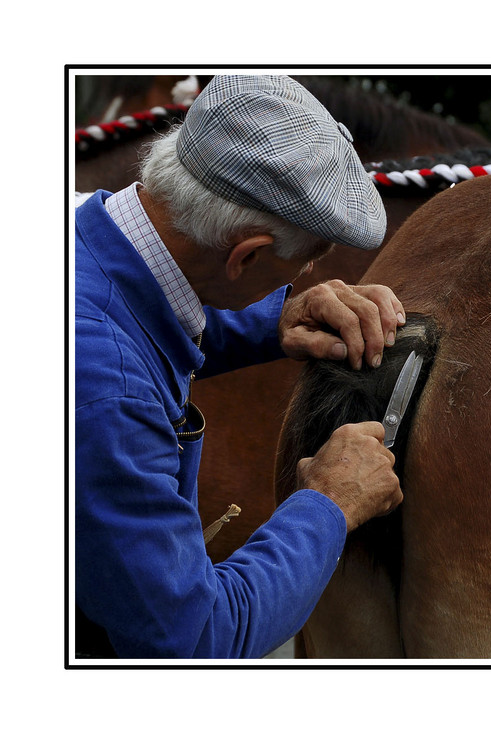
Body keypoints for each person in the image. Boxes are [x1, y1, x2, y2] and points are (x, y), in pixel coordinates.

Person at [75, 75, 405, 658]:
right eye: (303, 264)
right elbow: (192, 640)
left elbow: (134, 305)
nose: (302, 279)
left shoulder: (86, 233)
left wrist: (273, 318)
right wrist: (328, 505)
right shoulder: (108, 394)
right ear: (247, 254)